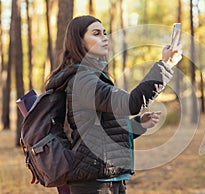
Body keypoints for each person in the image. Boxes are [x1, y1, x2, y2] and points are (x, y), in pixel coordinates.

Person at [44, 15, 182, 194]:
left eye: (104, 33)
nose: (104, 37)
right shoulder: (83, 80)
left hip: (108, 179)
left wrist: (137, 125)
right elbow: (131, 103)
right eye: (96, 33)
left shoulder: (91, 76)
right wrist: (166, 65)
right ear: (79, 41)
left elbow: (99, 133)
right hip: (93, 183)